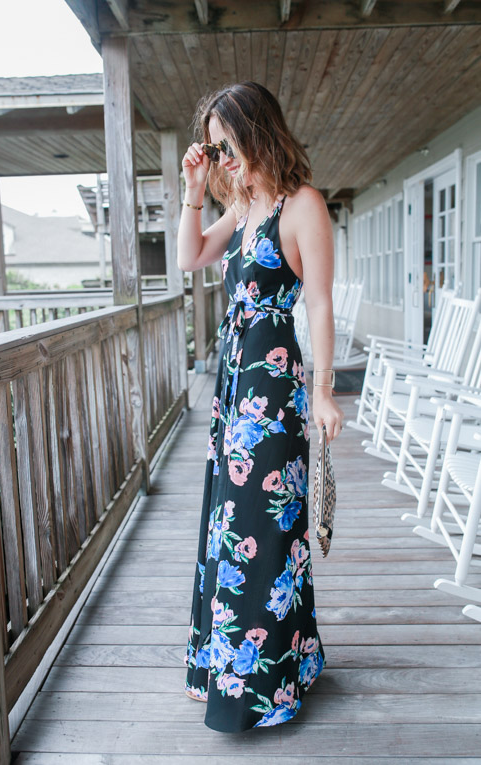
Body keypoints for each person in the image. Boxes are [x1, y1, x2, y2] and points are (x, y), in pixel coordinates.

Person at [177, 81, 344, 732]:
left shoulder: (301, 205)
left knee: (267, 531)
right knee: (231, 526)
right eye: (214, 150)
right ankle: (264, 664)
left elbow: (321, 304)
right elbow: (191, 256)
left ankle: (267, 685)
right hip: (233, 389)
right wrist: (194, 192)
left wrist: (324, 391)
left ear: (257, 131)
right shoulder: (244, 206)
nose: (223, 158)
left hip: (272, 393)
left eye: (228, 145)